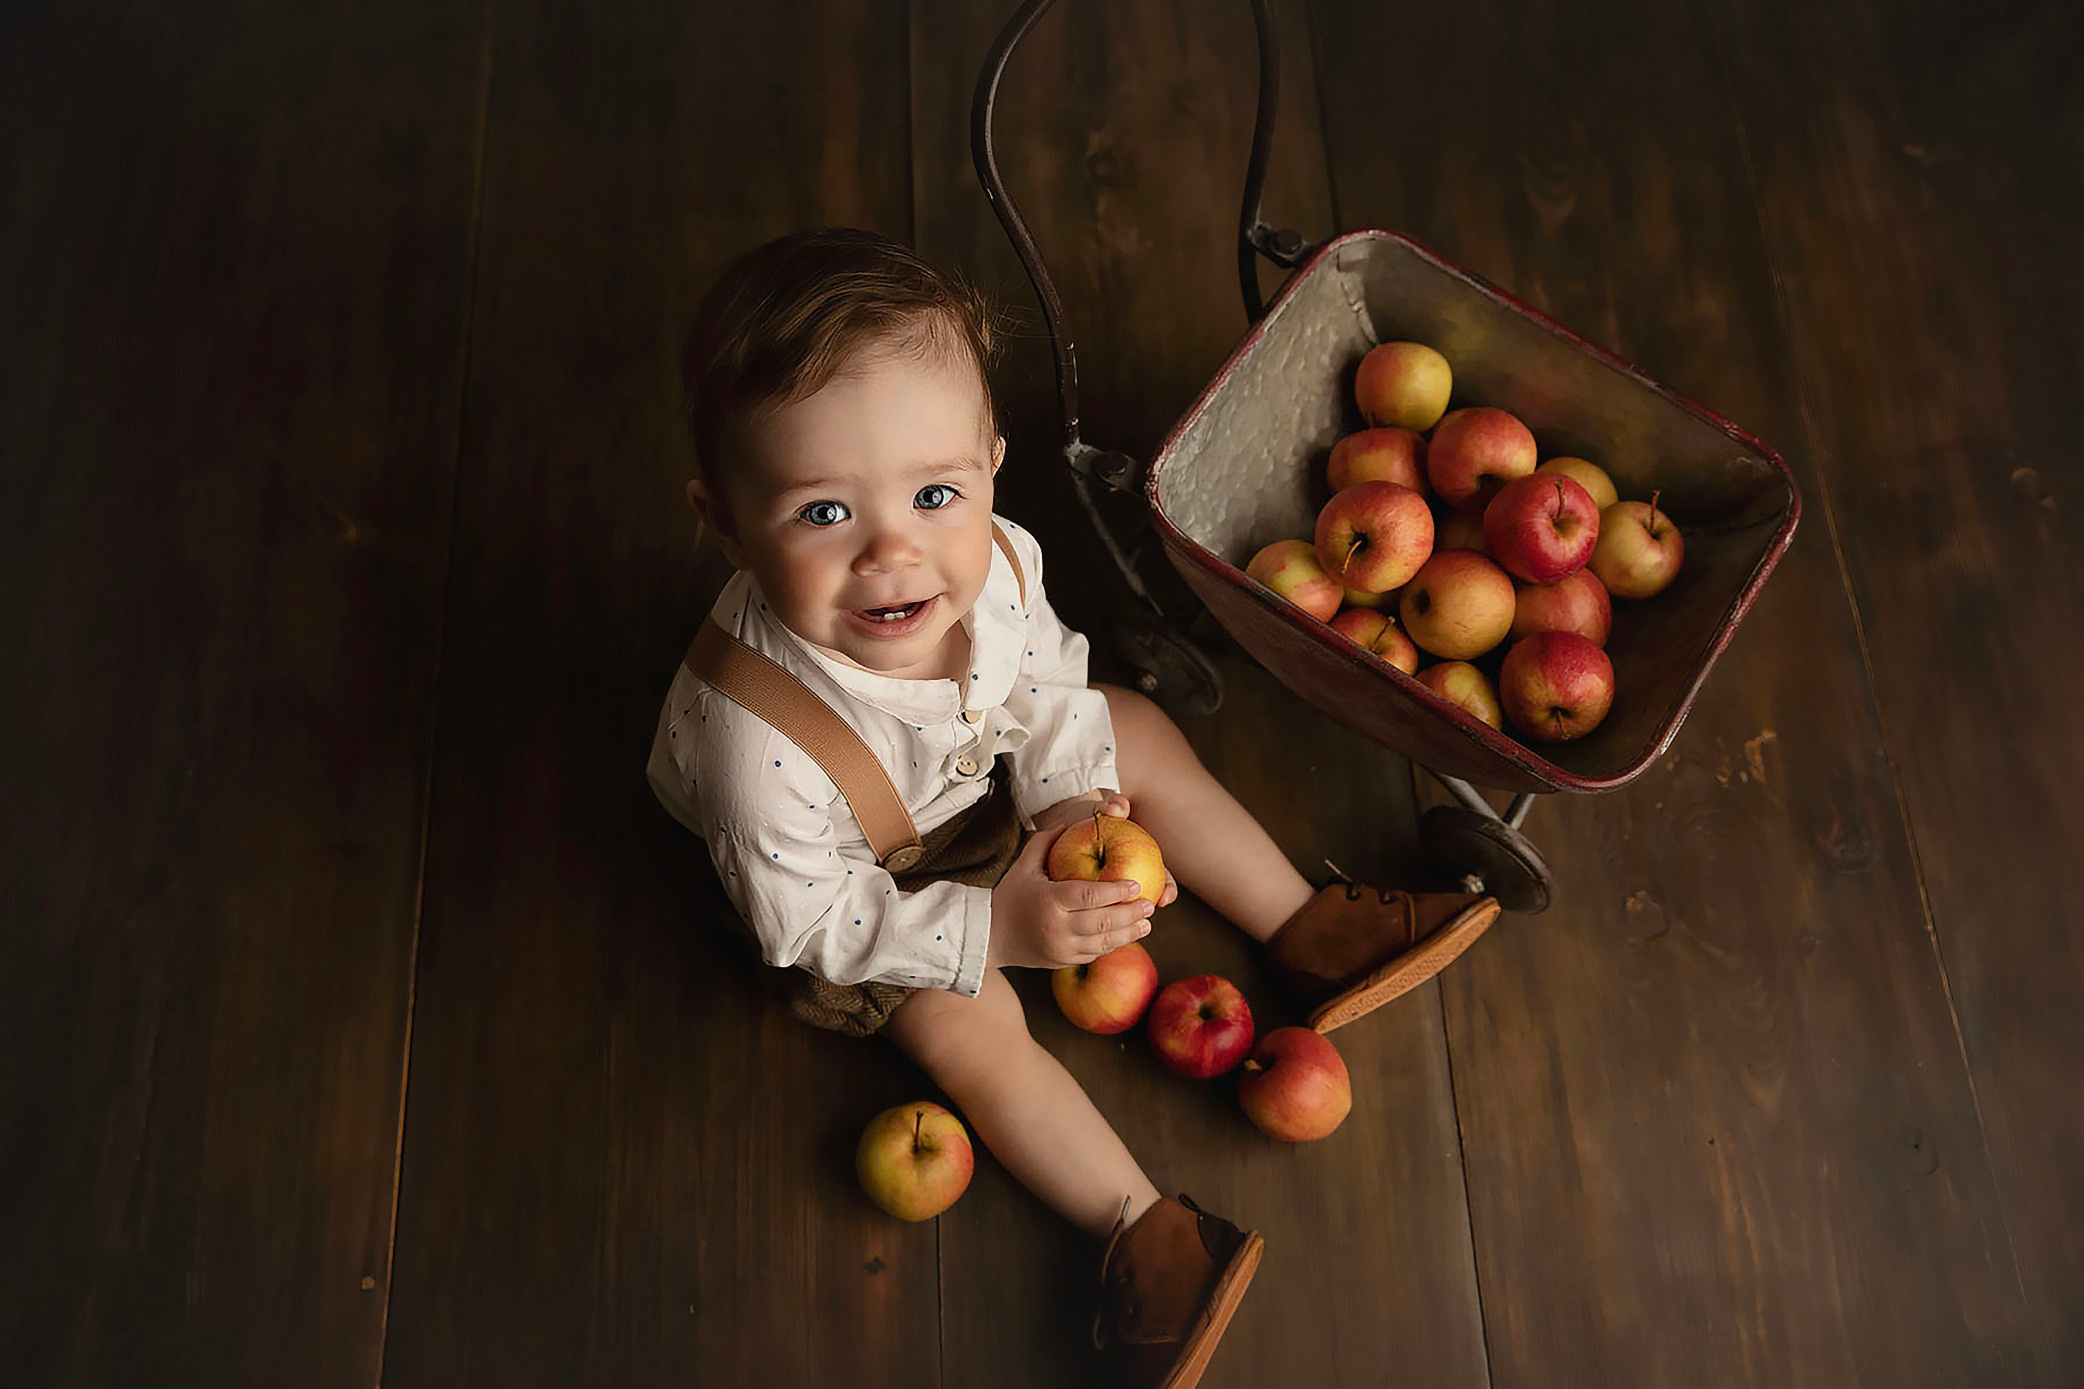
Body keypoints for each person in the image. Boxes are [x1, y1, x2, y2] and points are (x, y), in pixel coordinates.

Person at [646, 227, 1499, 1387]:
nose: (895, 553)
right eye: (823, 514)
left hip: (969, 779)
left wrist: (1076, 800)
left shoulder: (992, 558)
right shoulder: (760, 751)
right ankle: (1141, 1231)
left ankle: (1308, 928)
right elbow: (805, 927)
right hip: (868, 882)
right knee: (965, 1028)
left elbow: (1043, 675)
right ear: (725, 524)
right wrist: (993, 927)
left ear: (991, 464)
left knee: (1130, 726)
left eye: (935, 491)